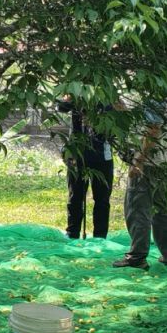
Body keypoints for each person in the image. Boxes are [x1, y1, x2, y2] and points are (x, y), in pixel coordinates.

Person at [113, 100, 167, 269]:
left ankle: (137, 257)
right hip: (166, 164)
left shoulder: (153, 97)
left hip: (149, 165)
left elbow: (153, 129)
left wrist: (138, 161)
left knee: (137, 210)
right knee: (161, 209)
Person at [56, 98, 114, 239]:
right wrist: (72, 96)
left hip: (102, 156)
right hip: (78, 154)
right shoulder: (78, 94)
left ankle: (100, 236)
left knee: (102, 199)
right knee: (75, 196)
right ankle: (72, 233)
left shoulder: (108, 96)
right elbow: (61, 107)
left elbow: (120, 119)